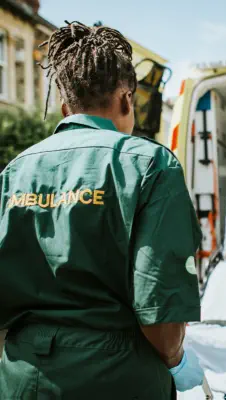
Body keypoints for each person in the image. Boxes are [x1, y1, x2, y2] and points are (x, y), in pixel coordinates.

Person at [0, 21, 203, 399]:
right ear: (127, 99)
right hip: (120, 377)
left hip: (24, 378)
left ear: (64, 105)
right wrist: (177, 362)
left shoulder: (15, 172)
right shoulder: (151, 164)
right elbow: (159, 310)